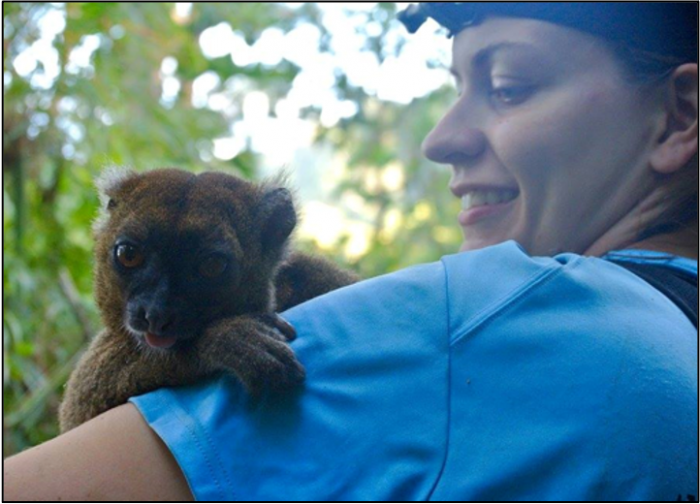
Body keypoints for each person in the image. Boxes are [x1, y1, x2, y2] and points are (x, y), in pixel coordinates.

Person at [4, 3, 697, 501]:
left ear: (680, 115)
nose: (440, 139)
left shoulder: (478, 323)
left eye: (510, 86)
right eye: (455, 86)